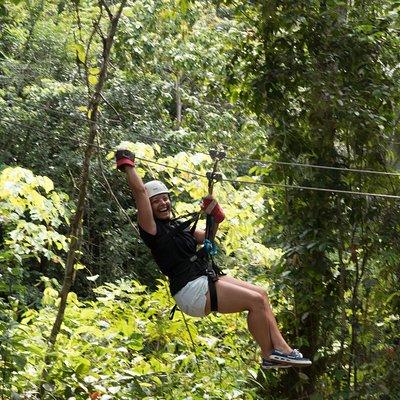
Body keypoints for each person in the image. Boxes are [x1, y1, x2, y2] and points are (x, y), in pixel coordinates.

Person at [116, 149, 312, 369]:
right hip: (190, 289)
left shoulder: (179, 228)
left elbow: (207, 237)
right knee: (254, 302)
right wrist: (128, 165)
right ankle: (270, 353)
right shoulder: (151, 230)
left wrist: (215, 218)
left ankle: (281, 351)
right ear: (149, 208)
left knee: (261, 295)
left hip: (203, 276)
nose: (163, 203)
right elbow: (140, 192)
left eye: (165, 198)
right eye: (156, 202)